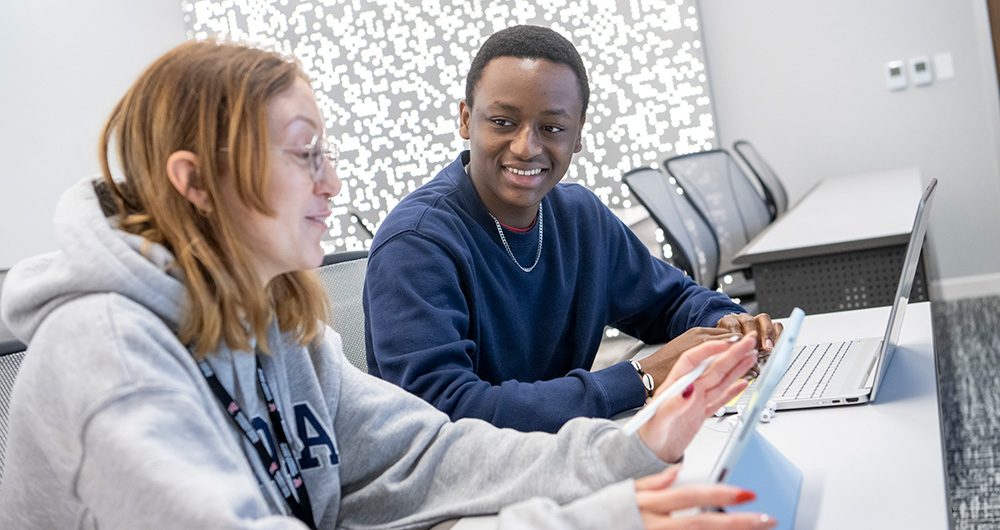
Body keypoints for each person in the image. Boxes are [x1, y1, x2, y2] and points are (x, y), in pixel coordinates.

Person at [0, 40, 779, 530]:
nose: (333, 185)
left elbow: (426, 458)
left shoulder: (274, 322)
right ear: (197, 183)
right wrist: (600, 512)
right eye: (307, 156)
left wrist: (631, 447)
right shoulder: (110, 358)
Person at [364, 25, 783, 433]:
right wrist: (640, 378)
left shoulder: (578, 216)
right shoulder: (416, 243)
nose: (526, 147)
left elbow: (670, 302)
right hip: (464, 486)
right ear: (466, 119)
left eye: (552, 128)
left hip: (555, 455)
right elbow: (446, 412)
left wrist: (730, 325)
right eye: (502, 122)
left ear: (578, 134)